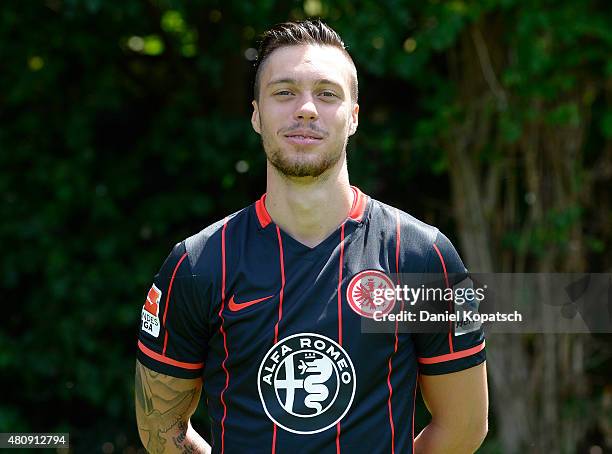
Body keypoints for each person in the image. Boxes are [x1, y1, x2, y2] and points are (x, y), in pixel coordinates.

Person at [135, 19, 488, 454]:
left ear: (353, 117)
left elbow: (463, 425)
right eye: (284, 92)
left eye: (327, 94)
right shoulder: (199, 264)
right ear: (255, 114)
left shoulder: (421, 256)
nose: (306, 108)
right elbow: (160, 428)